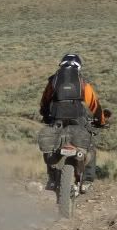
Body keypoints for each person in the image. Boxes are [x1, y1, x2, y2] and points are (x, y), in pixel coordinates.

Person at [39, 53, 109, 194]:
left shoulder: (54, 81)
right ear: (79, 66)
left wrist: (45, 115)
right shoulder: (82, 82)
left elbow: (44, 102)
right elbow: (95, 105)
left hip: (57, 118)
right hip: (78, 119)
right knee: (89, 146)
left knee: (52, 146)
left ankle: (52, 179)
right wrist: (101, 121)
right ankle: (87, 182)